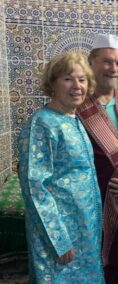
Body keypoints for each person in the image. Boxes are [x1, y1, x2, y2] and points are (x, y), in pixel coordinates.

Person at [18, 51, 104, 282]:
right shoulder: (43, 123)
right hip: (60, 238)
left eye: (82, 79)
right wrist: (58, 239)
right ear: (53, 83)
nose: (77, 86)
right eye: (68, 78)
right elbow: (33, 185)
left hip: (85, 231)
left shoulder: (73, 119)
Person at [77, 34, 118, 283]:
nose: (113, 68)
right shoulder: (77, 107)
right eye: (107, 62)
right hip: (89, 207)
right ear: (91, 63)